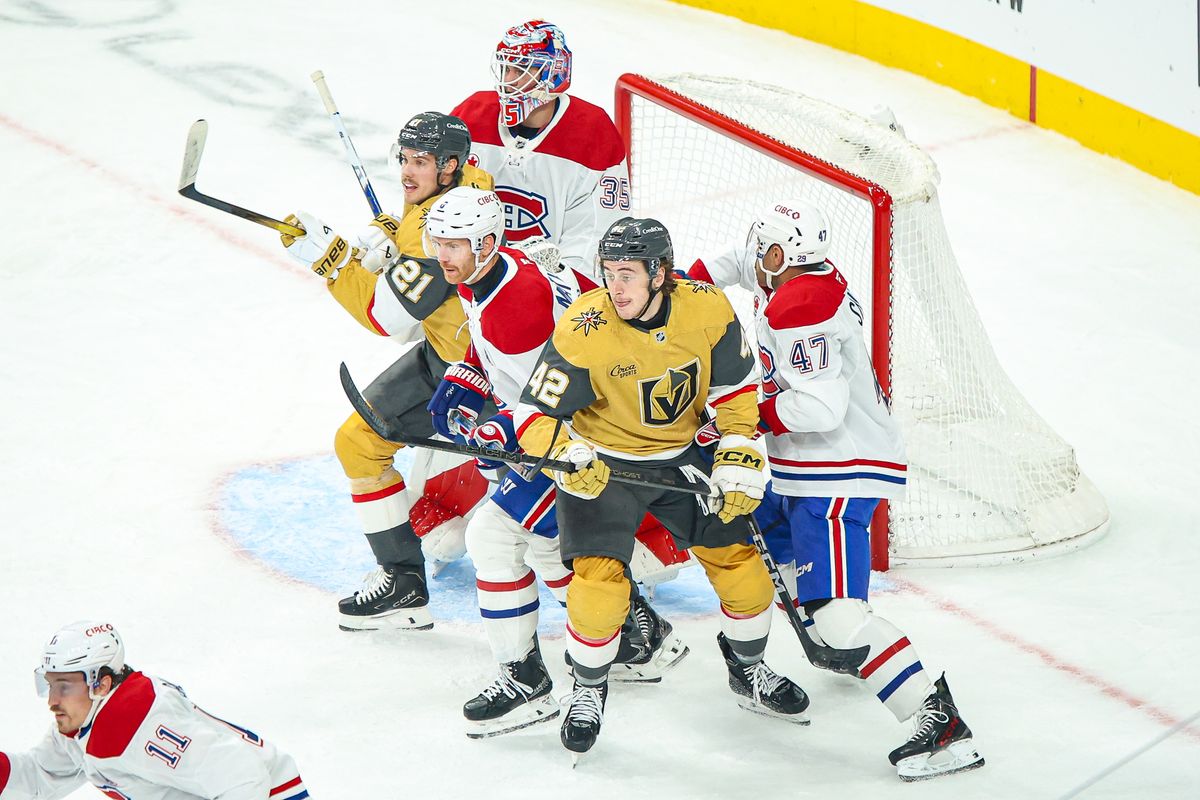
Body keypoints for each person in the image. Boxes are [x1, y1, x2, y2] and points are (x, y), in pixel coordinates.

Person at [692, 199, 984, 781]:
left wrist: (745, 418)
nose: (752, 258)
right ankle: (833, 635)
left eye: (761, 249)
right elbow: (735, 264)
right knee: (768, 541)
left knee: (835, 613)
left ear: (780, 255)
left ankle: (937, 720)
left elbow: (819, 408)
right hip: (814, 470)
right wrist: (679, 286)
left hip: (837, 471)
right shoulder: (800, 274)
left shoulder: (801, 308)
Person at [512, 217, 810, 758]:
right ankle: (588, 688)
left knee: (744, 572)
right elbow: (534, 415)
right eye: (608, 273)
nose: (614, 287)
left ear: (660, 274)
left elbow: (736, 389)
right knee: (598, 589)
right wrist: (566, 452)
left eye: (627, 273)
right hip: (601, 464)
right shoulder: (584, 326)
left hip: (682, 458)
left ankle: (749, 670)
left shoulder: (706, 308)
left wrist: (739, 450)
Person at [420, 189, 687, 739]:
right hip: (569, 432)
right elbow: (515, 358)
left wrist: (499, 425)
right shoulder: (492, 273)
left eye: (454, 244)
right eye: (438, 241)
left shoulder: (513, 308)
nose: (442, 254)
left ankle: (531, 680)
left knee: (499, 541)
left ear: (487, 243)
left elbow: (553, 390)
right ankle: (639, 636)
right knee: (545, 545)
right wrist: (466, 375)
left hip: (580, 437)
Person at [280, 112, 495, 631]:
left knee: (526, 522)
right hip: (446, 353)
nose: (405, 171)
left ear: (448, 166)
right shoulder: (468, 182)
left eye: (418, 161)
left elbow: (388, 319)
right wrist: (387, 233)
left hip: (494, 373)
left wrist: (331, 259)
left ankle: (624, 618)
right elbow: (414, 231)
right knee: (357, 442)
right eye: (403, 158)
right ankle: (403, 584)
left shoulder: (441, 224)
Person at [1, 621, 309, 799]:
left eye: (64, 686)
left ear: (102, 684)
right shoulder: (84, 720)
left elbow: (243, 774)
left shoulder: (132, 724)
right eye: (49, 684)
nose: (52, 700)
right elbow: (40, 774)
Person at [451, 20, 631, 276]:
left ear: (554, 73)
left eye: (521, 69)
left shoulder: (593, 133)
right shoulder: (471, 115)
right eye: (506, 68)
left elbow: (596, 237)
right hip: (471, 277)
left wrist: (551, 283)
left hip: (549, 293)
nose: (508, 81)